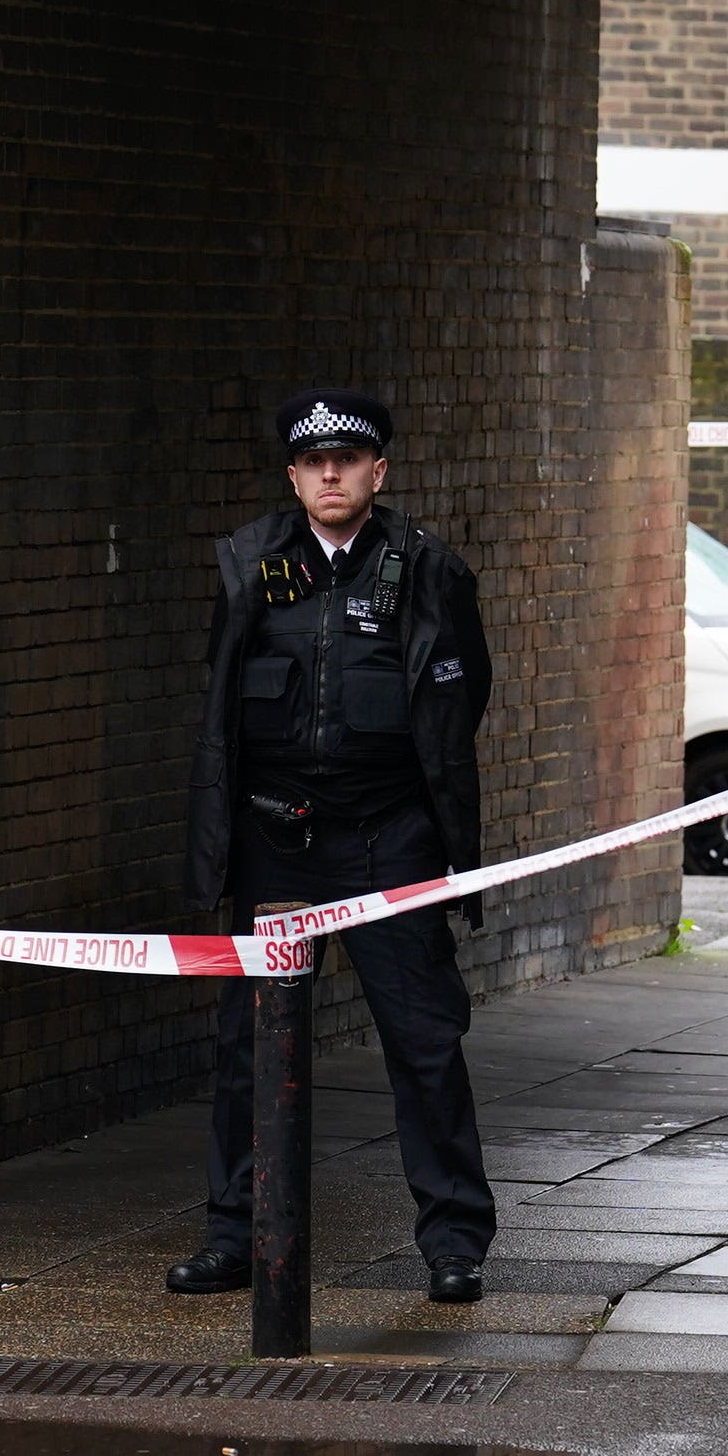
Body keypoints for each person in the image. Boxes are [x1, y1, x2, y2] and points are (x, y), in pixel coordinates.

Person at [172, 390, 499, 1305]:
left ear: (376, 472)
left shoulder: (429, 569)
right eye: (314, 461)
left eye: (348, 459)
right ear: (291, 474)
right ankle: (234, 1234)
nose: (330, 474)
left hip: (388, 841)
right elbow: (222, 703)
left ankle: (453, 1241)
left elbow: (462, 693)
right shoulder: (249, 566)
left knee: (425, 1041)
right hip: (279, 842)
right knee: (248, 1047)